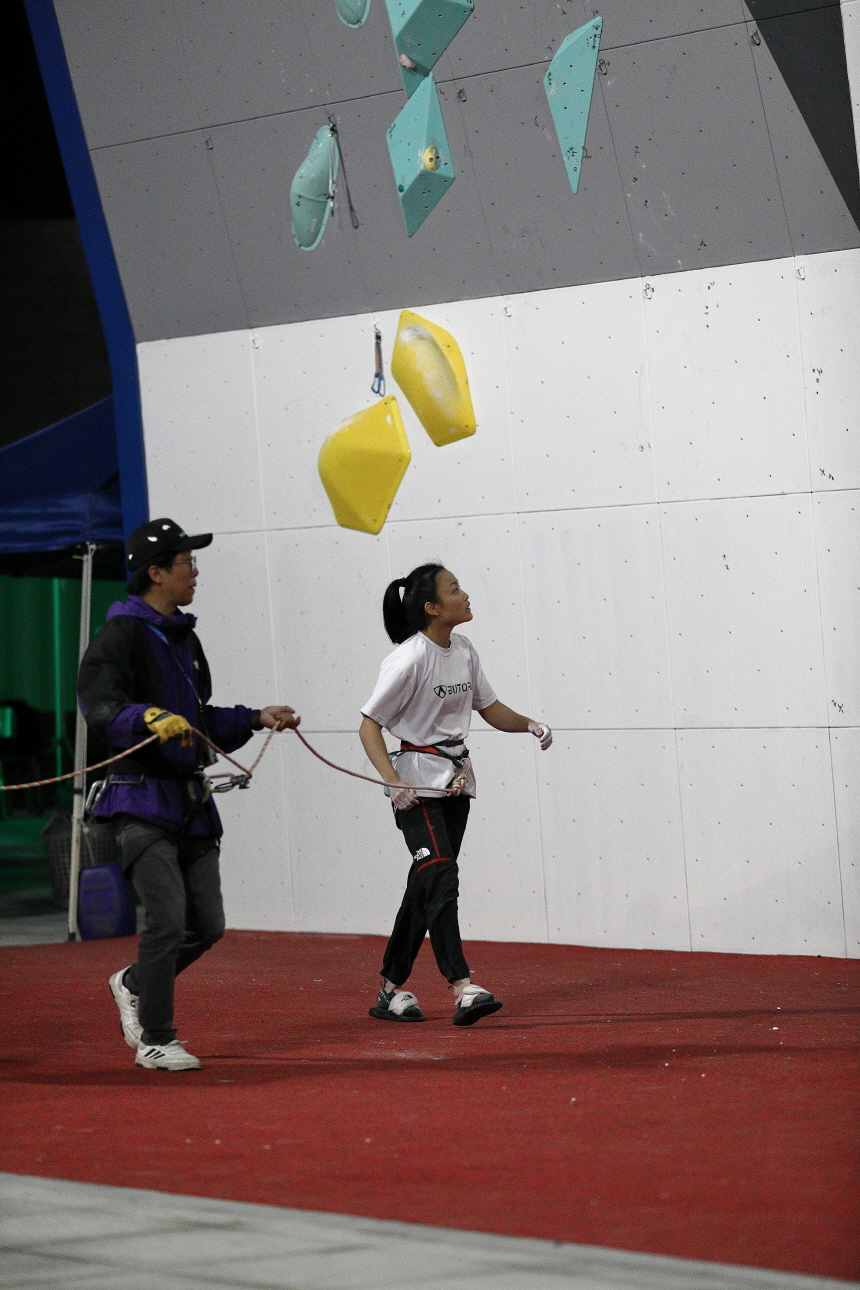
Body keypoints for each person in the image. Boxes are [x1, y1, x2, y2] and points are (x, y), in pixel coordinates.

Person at [77, 518, 299, 1072]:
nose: (195, 573)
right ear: (156, 573)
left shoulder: (184, 638)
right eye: (186, 564)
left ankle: (133, 983)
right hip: (138, 798)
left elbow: (198, 720)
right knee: (167, 921)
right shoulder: (119, 635)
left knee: (208, 925)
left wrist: (255, 717)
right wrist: (145, 717)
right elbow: (100, 707)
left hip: (191, 802)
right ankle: (156, 1038)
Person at [359, 563, 552, 1026]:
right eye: (454, 589)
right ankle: (462, 987)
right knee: (442, 877)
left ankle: (389, 990)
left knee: (427, 883)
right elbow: (369, 726)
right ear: (432, 607)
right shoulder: (408, 659)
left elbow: (489, 707)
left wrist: (529, 723)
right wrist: (393, 781)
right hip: (416, 785)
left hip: (456, 781)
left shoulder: (463, 649)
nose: (465, 595)